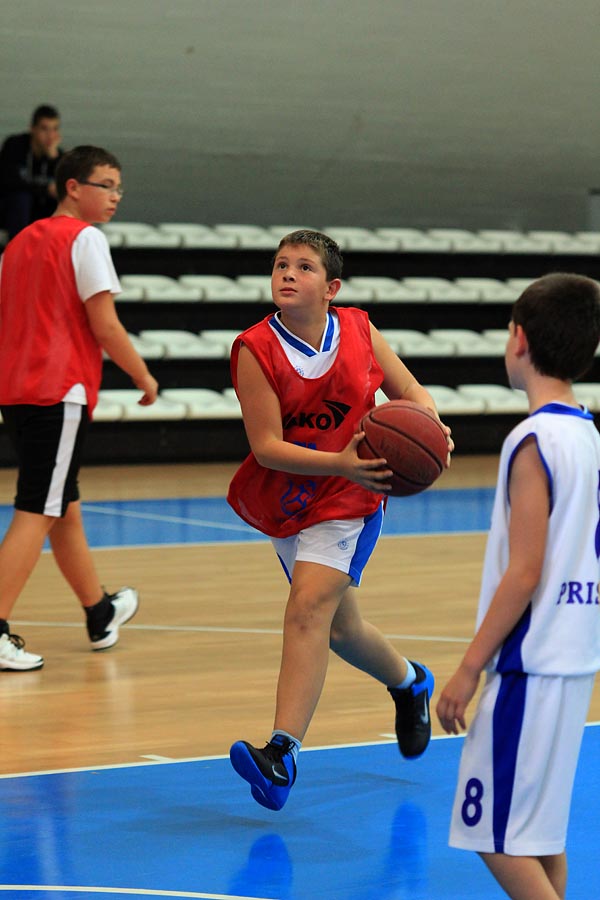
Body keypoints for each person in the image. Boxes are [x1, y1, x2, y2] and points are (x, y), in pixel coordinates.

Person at [227, 229, 453, 810]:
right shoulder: (254, 348)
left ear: (331, 288)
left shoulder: (357, 328)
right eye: (280, 264)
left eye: (303, 267)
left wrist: (432, 424)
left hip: (354, 495)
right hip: (291, 490)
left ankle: (280, 756)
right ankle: (409, 682)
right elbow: (267, 447)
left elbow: (412, 392)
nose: (287, 273)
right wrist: (338, 462)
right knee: (340, 630)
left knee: (305, 610)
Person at [436, 273, 600, 900]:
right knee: (537, 835)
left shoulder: (531, 439)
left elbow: (525, 570)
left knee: (493, 837)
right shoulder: (585, 431)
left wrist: (468, 668)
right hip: (574, 656)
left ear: (519, 341)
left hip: (530, 666)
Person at [0, 145, 159, 672]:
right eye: (106, 185)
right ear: (73, 187)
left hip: (17, 391)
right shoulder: (86, 238)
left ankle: (98, 611)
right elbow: (105, 323)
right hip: (58, 390)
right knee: (39, 508)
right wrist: (142, 374)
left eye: (119, 187)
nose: (115, 196)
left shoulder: (18, 243)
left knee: (61, 506)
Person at [0, 105, 64, 240]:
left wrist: (54, 159)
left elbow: (62, 191)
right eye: (44, 129)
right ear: (32, 128)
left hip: (40, 212)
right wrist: (45, 189)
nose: (50, 135)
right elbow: (8, 182)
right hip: (11, 211)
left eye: (54, 129)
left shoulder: (60, 157)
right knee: (21, 198)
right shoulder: (15, 145)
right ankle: (17, 250)